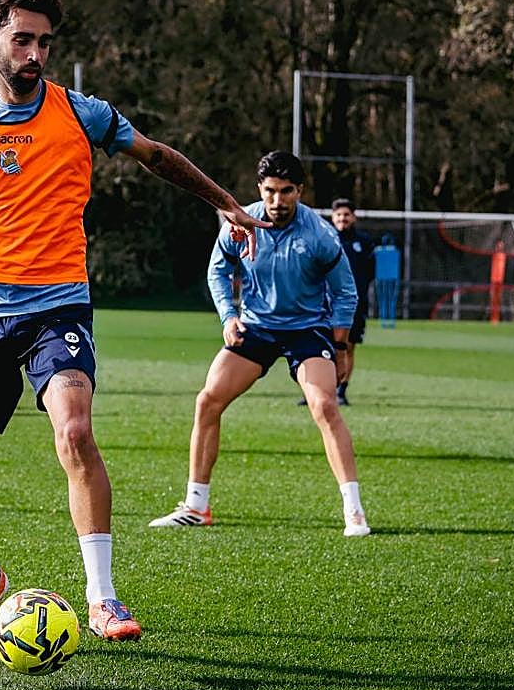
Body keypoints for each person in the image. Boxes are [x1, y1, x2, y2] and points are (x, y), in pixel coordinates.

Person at [0, 0, 266, 653]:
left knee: (74, 433)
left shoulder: (80, 113)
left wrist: (222, 201)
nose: (35, 54)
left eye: (44, 42)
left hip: (59, 307)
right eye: (21, 40)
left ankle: (102, 597)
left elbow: (155, 155)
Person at [149, 151, 371, 537]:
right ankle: (196, 506)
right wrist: (228, 317)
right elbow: (218, 270)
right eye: (270, 191)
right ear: (259, 189)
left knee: (324, 405)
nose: (277, 201)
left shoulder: (319, 234)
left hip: (306, 330)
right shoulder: (240, 221)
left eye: (287, 192)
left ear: (299, 191)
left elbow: (345, 291)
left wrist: (339, 347)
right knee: (208, 400)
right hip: (255, 327)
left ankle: (354, 511)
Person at [329, 198, 375, 405]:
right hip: (326, 302)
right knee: (321, 345)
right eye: (339, 215)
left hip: (355, 304)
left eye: (346, 215)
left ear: (353, 217)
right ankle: (317, 389)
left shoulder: (364, 242)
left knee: (348, 346)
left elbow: (370, 272)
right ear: (333, 217)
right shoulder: (326, 238)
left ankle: (341, 390)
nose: (342, 218)